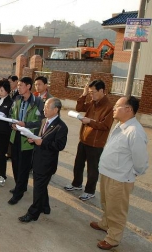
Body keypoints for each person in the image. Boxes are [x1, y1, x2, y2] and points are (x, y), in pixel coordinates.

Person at [90, 96, 149, 250]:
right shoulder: (120, 125)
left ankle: (113, 238)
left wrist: (133, 172)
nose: (114, 109)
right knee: (106, 203)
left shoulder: (134, 131)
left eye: (117, 106)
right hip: (108, 173)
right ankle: (105, 223)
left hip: (120, 177)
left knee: (116, 209)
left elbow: (140, 161)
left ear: (128, 109)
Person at [18, 98, 68, 223]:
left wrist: (42, 142)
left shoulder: (61, 127)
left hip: (46, 163)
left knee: (38, 187)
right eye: (44, 106)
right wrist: (34, 139)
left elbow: (59, 146)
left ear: (55, 110)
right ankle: (45, 207)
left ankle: (33, 213)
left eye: (46, 107)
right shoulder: (44, 121)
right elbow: (42, 137)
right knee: (41, 186)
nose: (43, 109)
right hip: (38, 159)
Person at [64, 80, 113, 201]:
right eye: (90, 92)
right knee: (78, 164)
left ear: (102, 91)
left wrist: (89, 121)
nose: (92, 95)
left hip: (96, 143)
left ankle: (90, 191)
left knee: (92, 169)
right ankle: (76, 184)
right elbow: (79, 107)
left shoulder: (109, 107)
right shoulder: (93, 102)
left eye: (93, 92)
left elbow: (105, 126)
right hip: (84, 139)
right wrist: (84, 94)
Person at [8, 76, 44, 205]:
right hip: (15, 135)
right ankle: (20, 186)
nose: (18, 87)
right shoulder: (17, 99)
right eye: (18, 85)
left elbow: (40, 122)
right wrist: (12, 123)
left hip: (28, 138)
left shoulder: (38, 102)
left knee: (23, 167)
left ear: (28, 86)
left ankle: (18, 194)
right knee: (15, 164)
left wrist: (25, 124)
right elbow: (11, 114)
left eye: (21, 85)